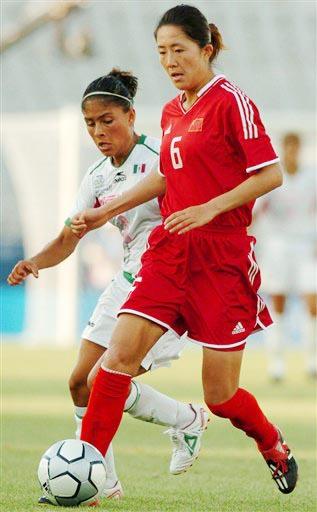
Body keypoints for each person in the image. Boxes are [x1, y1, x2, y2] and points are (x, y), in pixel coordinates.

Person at [70, 5, 298, 496]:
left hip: (222, 259)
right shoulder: (174, 109)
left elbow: (270, 174)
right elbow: (167, 176)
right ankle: (89, 476)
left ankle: (272, 442)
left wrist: (210, 209)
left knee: (220, 396)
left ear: (206, 49)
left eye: (179, 50)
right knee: (115, 361)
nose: (170, 61)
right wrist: (106, 210)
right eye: (161, 53)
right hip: (170, 252)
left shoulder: (232, 101)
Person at [7, 68, 209, 502]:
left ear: (131, 115)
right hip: (127, 280)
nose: (98, 132)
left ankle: (186, 419)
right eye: (90, 124)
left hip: (169, 280)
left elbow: (191, 199)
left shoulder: (159, 156)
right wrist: (34, 262)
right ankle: (108, 481)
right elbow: (68, 237)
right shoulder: (97, 176)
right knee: (80, 382)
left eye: (107, 120)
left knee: (105, 381)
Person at [254, 132, 316, 381]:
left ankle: (312, 361)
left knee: (312, 302)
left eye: (296, 147)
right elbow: (256, 212)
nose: (292, 151)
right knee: (277, 301)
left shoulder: (312, 177)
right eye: (288, 147)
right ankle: (276, 363)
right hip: (277, 245)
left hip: (306, 245)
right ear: (283, 148)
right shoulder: (273, 177)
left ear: (300, 148)